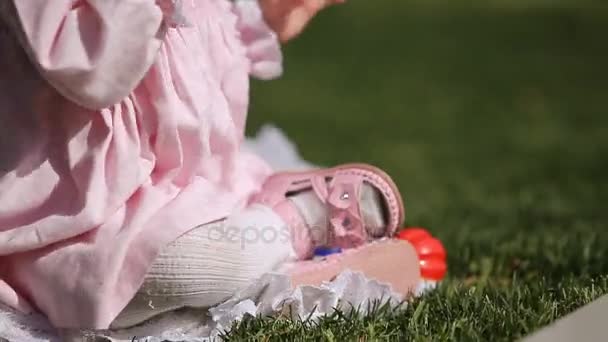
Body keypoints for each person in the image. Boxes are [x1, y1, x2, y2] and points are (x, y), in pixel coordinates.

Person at [0, 0, 422, 330]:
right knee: (143, 282)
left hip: (189, 180)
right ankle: (286, 227)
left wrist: (261, 15)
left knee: (201, 248)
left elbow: (201, 40)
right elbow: (93, 66)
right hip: (71, 213)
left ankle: (274, 224)